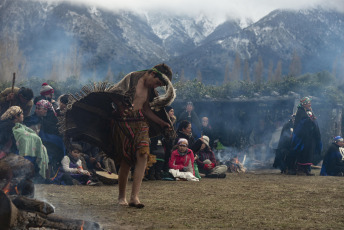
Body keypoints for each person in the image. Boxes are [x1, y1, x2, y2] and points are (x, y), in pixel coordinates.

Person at [60, 63, 176, 208]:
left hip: (141, 124)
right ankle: (122, 197)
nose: (156, 87)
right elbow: (114, 95)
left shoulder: (151, 90)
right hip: (122, 124)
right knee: (126, 160)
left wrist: (162, 122)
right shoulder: (131, 78)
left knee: (143, 155)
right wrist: (121, 106)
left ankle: (135, 197)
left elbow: (146, 109)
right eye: (157, 83)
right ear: (153, 74)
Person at [1, 106, 49, 181]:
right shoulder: (8, 126)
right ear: (16, 116)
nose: (23, 115)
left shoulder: (16, 125)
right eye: (22, 114)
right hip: (7, 151)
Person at [291, 97, 322, 176]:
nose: (310, 104)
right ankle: (300, 169)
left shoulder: (310, 111)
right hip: (303, 138)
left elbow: (313, 121)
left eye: (310, 103)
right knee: (303, 153)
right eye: (308, 103)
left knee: (309, 153)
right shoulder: (300, 112)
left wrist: (313, 119)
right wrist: (309, 120)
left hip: (310, 137)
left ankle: (307, 169)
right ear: (304, 104)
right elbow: (300, 124)